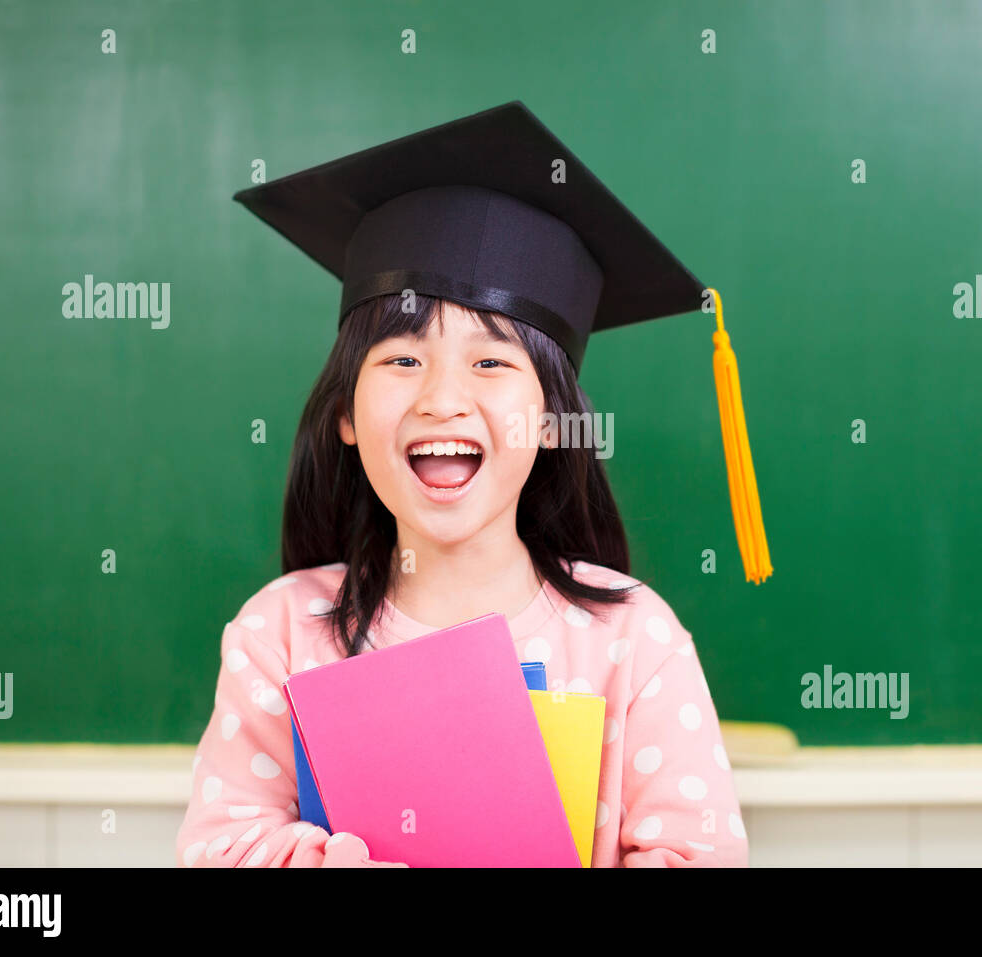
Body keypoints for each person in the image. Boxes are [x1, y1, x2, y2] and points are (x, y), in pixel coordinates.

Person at [176, 101, 757, 867]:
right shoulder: (282, 634)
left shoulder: (633, 642)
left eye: (491, 361)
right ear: (345, 413)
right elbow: (222, 843)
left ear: (552, 420)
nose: (443, 398)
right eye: (402, 359)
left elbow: (698, 852)